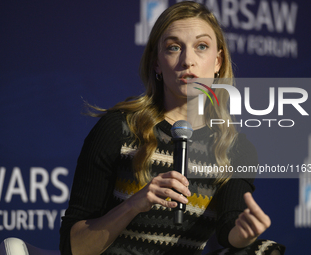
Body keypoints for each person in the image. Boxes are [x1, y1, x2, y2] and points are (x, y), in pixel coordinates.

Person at [60, 2, 275, 255]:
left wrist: (242, 236)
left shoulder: (235, 149)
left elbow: (230, 226)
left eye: (201, 47)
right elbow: (73, 247)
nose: (188, 61)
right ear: (156, 64)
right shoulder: (118, 128)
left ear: (218, 62)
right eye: (174, 48)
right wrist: (135, 204)